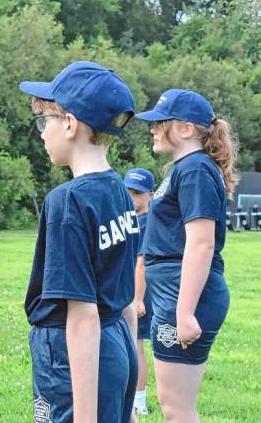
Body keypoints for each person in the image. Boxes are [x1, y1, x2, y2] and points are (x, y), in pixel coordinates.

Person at [20, 61, 139, 423]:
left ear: (70, 124)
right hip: (116, 343)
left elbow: (83, 317)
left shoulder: (67, 200)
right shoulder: (118, 189)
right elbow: (126, 298)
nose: (42, 133)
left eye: (46, 121)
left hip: (73, 360)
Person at [135, 89, 238, 422]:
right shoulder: (184, 168)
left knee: (176, 407)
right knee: (172, 404)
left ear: (186, 129)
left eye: (160, 122)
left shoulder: (194, 169)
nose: (152, 128)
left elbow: (201, 244)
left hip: (183, 297)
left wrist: (184, 312)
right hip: (171, 293)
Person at [123, 167, 156, 416]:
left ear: (150, 195)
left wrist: (137, 298)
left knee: (137, 346)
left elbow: (141, 261)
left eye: (137, 193)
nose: (132, 198)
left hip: (141, 295)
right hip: (126, 292)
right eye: (128, 192)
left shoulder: (147, 223)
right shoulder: (129, 221)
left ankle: (139, 402)